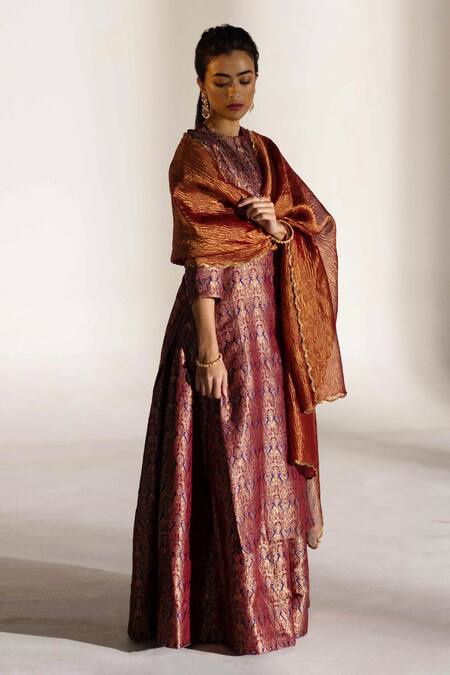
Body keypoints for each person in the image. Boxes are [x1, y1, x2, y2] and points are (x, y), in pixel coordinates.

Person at [127, 24, 346, 656]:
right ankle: (212, 613)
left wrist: (278, 226)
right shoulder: (193, 155)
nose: (235, 91)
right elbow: (203, 253)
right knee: (219, 460)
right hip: (217, 325)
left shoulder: (265, 152)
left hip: (267, 330)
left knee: (265, 462)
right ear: (200, 83)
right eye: (221, 80)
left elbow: (314, 225)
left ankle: (267, 602)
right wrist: (206, 350)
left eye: (245, 79)